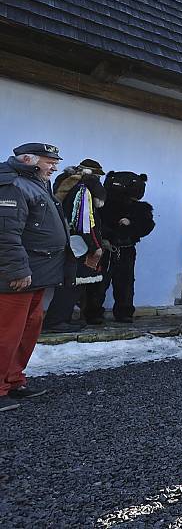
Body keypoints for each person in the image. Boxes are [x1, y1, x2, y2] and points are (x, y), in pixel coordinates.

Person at [0, 143, 68, 411]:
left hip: (39, 273)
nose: (54, 166)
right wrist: (17, 270)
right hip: (20, 274)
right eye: (49, 161)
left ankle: (14, 380)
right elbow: (6, 234)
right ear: (28, 159)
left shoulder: (36, 183)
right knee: (7, 332)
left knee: (28, 329)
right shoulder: (13, 184)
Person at [43, 159, 107, 332]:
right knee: (71, 284)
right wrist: (95, 246)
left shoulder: (67, 186)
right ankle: (56, 321)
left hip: (66, 240)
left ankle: (64, 318)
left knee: (72, 284)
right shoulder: (82, 191)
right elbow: (85, 223)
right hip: (78, 244)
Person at [84, 170, 154, 323]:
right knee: (99, 281)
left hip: (126, 249)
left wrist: (131, 223)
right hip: (104, 248)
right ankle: (93, 312)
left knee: (125, 282)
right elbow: (95, 224)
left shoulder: (140, 209)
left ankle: (124, 312)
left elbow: (147, 226)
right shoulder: (102, 203)